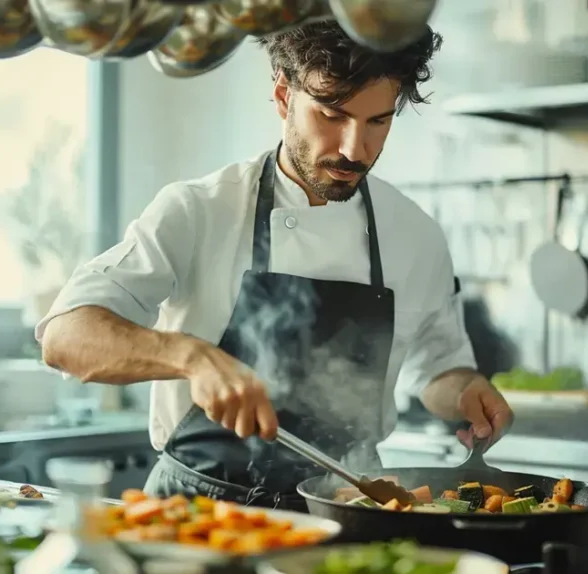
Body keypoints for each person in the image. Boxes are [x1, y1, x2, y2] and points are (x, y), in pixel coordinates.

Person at [36, 21, 513, 511]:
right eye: (331, 114)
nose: (354, 149)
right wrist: (191, 357)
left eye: (378, 121)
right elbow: (65, 338)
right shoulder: (200, 209)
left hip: (348, 510)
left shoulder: (415, 235)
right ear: (284, 96)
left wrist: (467, 391)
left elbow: (438, 367)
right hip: (199, 514)